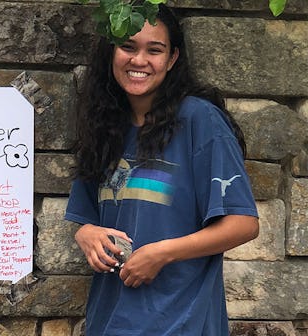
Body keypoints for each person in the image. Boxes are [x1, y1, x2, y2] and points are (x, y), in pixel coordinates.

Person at [65, 4, 259, 335]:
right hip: (108, 322)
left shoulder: (201, 121)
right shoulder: (104, 127)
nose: (139, 60)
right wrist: (86, 235)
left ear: (171, 60)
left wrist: (162, 253)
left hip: (180, 322)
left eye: (154, 50)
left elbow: (243, 224)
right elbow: (85, 220)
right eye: (128, 47)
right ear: (112, 53)